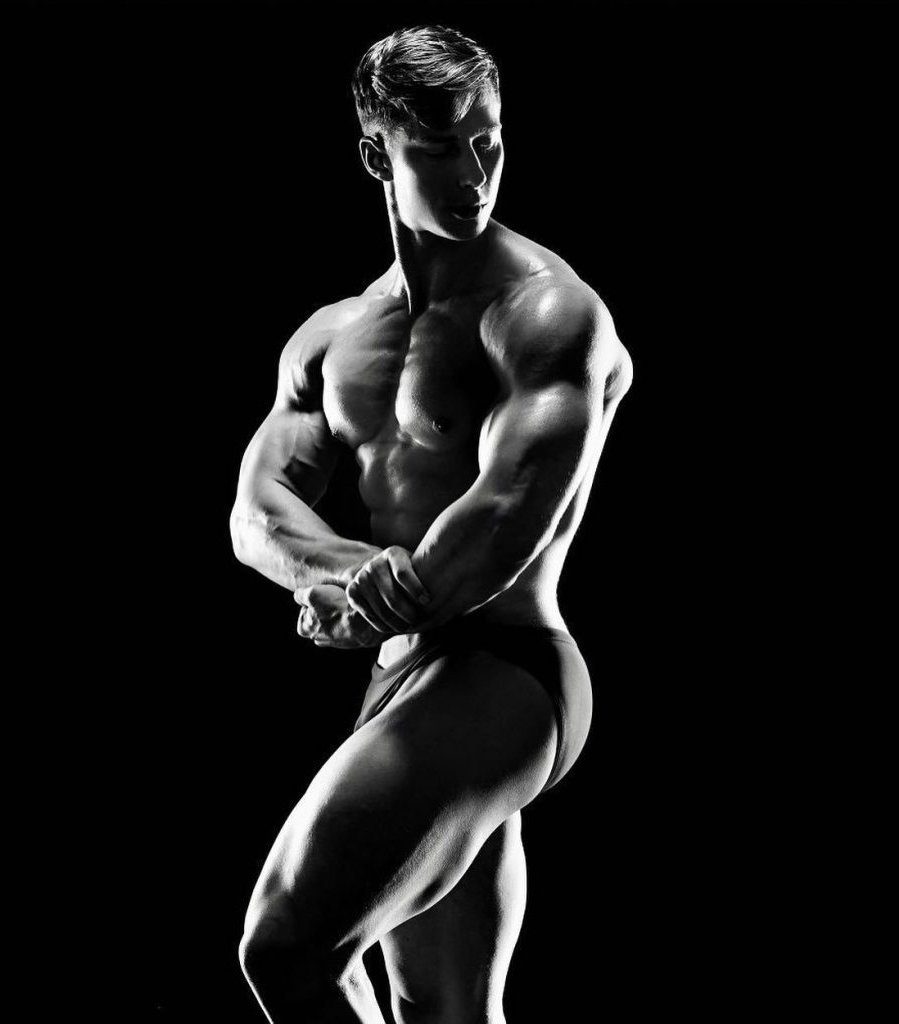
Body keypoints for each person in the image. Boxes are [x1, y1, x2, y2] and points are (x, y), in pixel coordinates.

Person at [230, 23, 633, 1024]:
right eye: (442, 147)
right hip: (400, 683)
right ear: (378, 154)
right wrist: (340, 577)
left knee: (286, 945)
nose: (475, 172)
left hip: (506, 674)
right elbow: (256, 510)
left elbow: (504, 521)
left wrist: (366, 596)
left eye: (489, 141)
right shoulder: (332, 336)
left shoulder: (546, 314)